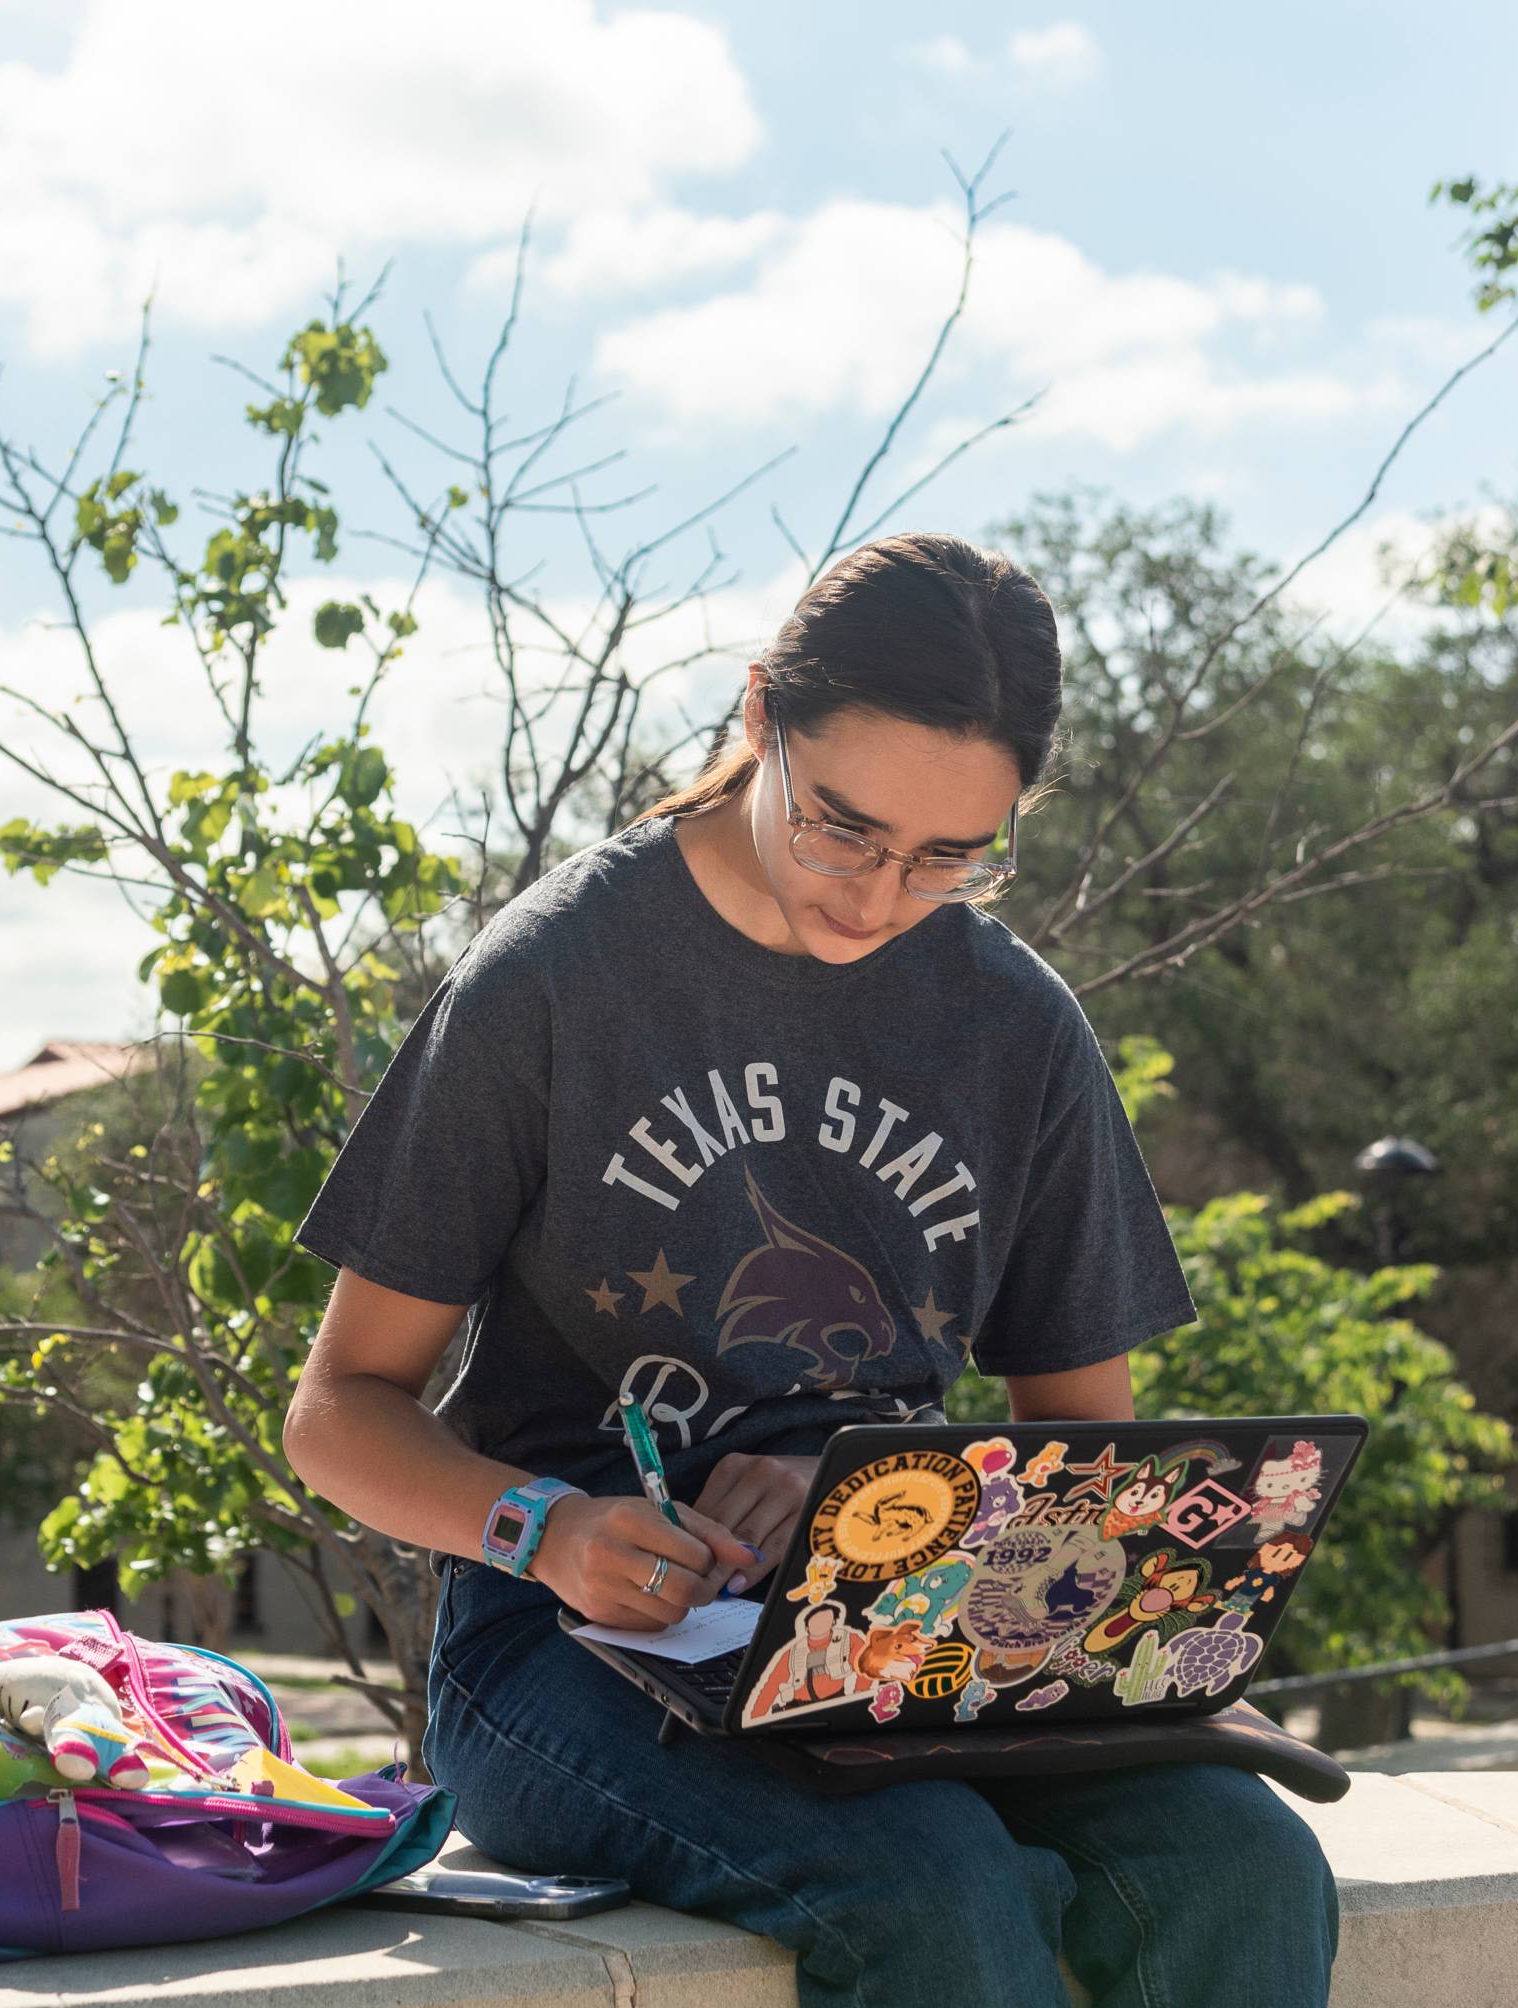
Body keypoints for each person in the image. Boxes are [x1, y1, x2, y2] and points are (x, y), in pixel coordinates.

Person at [282, 533, 1339, 2008]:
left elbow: (1091, 1461)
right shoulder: (551, 982)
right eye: (847, 830)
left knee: (1241, 1864)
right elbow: (339, 1409)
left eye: (951, 857)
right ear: (761, 715)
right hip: (564, 1653)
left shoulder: (1013, 1024)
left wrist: (889, 1492)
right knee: (934, 1888)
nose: (880, 896)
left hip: (905, 1630)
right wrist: (551, 1528)